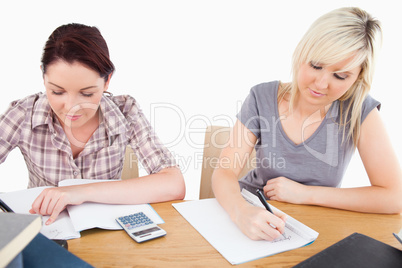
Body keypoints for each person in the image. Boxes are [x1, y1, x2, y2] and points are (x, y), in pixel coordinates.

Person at [212, 7, 402, 241]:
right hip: (251, 213)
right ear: (302, 53)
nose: (321, 84)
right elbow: (224, 170)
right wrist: (241, 213)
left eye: (340, 76)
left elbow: (394, 197)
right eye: (316, 65)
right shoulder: (261, 97)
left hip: (314, 228)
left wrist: (304, 194)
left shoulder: (360, 110)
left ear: (357, 78)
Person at [0, 23, 185, 224]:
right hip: (45, 231)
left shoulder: (125, 111)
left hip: (107, 233)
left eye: (87, 94)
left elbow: (173, 184)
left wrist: (80, 192)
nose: (71, 106)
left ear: (107, 82)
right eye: (57, 92)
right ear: (44, 78)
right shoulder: (24, 113)